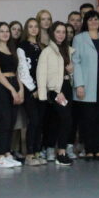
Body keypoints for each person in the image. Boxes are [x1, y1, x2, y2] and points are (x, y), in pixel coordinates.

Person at [71, 9, 99, 160]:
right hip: (86, 85)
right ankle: (89, 149)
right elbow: (76, 62)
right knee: (87, 118)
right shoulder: (79, 39)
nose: (93, 22)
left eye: (96, 19)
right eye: (90, 19)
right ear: (86, 22)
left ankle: (98, 149)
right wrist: (79, 84)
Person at [36, 22, 75, 166]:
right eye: (58, 31)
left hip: (67, 87)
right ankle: (61, 153)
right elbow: (42, 74)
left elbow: (69, 73)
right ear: (52, 33)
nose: (61, 35)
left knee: (58, 119)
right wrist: (53, 92)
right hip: (55, 90)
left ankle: (52, 148)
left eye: (63, 32)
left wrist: (71, 72)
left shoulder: (68, 50)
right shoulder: (47, 52)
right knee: (66, 119)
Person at [0, 22, 23, 168]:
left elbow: (17, 72)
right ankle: (0, 156)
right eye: (1, 31)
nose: (5, 33)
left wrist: (20, 89)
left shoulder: (12, 49)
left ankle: (7, 153)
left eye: (7, 31)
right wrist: (12, 90)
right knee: (5, 122)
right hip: (1, 87)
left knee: (12, 122)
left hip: (14, 83)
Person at [16, 18, 46, 166]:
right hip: (30, 90)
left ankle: (37, 152)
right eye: (30, 26)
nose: (34, 29)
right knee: (33, 120)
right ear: (26, 29)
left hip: (43, 89)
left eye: (36, 26)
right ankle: (29, 154)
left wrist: (43, 88)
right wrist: (33, 89)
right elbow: (22, 70)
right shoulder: (21, 47)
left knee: (40, 121)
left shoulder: (42, 46)